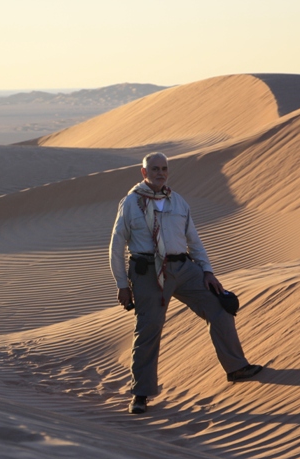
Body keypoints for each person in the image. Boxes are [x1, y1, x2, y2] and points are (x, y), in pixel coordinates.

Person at [109, 152, 262, 414]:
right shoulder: (131, 203)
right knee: (149, 328)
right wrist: (122, 285)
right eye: (154, 169)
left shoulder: (176, 201)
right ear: (144, 173)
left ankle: (236, 368)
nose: (160, 173)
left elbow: (194, 240)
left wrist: (207, 272)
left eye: (164, 168)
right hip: (148, 272)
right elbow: (116, 245)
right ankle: (141, 394)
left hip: (183, 268)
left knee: (219, 306)